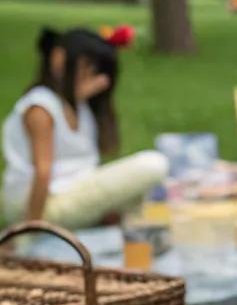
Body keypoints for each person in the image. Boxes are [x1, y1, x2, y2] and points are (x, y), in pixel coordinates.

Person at [1, 27, 168, 228]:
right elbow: (43, 172)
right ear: (58, 58)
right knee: (153, 164)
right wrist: (30, 229)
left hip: (66, 193)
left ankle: (113, 224)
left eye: (96, 69)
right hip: (38, 207)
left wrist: (79, 96)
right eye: (86, 65)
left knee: (143, 190)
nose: (92, 75)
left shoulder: (76, 105)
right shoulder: (40, 108)